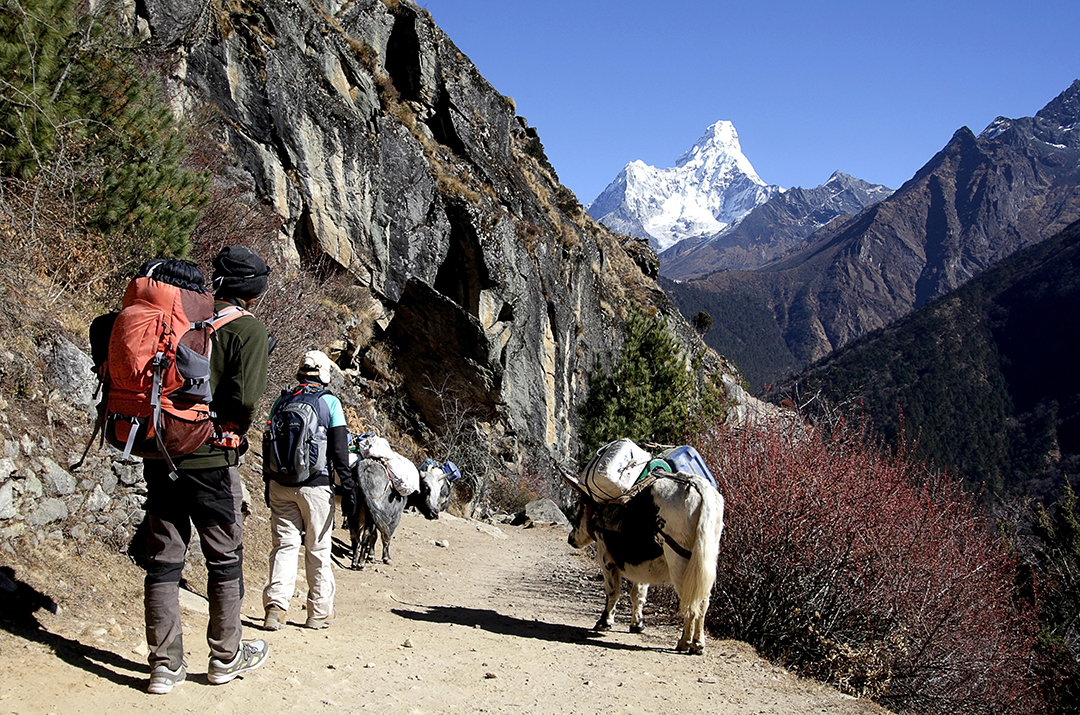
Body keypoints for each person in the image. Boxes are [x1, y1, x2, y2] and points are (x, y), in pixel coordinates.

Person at [142, 246, 272, 695]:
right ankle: (225, 656)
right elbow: (247, 400)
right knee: (223, 554)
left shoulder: (178, 315)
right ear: (255, 290)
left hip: (160, 453)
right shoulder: (246, 329)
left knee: (164, 555)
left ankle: (164, 665)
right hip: (212, 460)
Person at [262, 350, 351, 631]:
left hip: (280, 484)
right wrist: (347, 488)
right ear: (325, 375)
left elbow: (268, 445)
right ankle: (319, 612)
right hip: (316, 486)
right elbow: (339, 451)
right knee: (318, 548)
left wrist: (268, 484)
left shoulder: (282, 400)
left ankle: (275, 608)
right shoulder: (330, 403)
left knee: (284, 546)